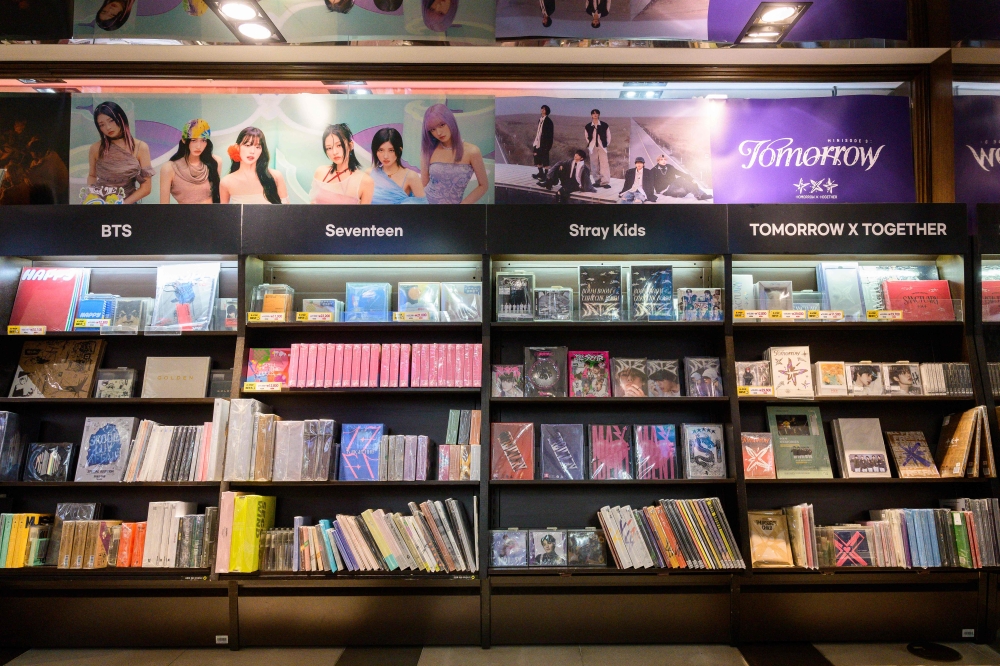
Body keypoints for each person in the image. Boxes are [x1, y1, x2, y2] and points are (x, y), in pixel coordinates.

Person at [420, 104, 488, 204]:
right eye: (432, 129)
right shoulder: (428, 150)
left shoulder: (472, 151)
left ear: (450, 121)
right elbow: (424, 185)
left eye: (442, 125)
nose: (438, 132)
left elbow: (483, 185)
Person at [87, 101, 153, 204]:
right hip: (100, 204)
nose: (108, 127)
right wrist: (95, 198)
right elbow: (92, 176)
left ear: (121, 118)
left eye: (111, 121)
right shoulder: (95, 148)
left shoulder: (141, 147)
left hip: (127, 203)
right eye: (102, 125)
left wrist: (121, 204)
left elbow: (146, 188)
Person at [159, 118, 222, 204]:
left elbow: (217, 198)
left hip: (210, 215)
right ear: (184, 140)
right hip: (184, 216)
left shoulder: (215, 162)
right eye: (194, 140)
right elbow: (163, 207)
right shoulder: (169, 168)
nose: (199, 146)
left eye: (203, 140)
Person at [220, 126, 287, 204]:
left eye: (258, 147)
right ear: (237, 147)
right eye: (248, 145)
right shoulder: (226, 182)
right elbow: (224, 214)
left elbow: (286, 212)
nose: (252, 151)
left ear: (262, 151)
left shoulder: (275, 176)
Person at [310, 124, 373, 205]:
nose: (334, 152)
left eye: (339, 145)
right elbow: (312, 208)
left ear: (350, 146)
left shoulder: (365, 181)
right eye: (329, 148)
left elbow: (364, 216)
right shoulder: (320, 172)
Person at [369, 127, 426, 205]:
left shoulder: (411, 176)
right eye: (381, 150)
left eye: (391, 150)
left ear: (399, 150)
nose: (385, 156)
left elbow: (424, 209)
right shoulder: (369, 173)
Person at [26, 136, 68, 205]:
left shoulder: (50, 161)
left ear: (38, 152)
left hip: (59, 189)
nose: (30, 153)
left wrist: (27, 174)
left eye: (32, 152)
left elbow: (33, 173)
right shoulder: (49, 154)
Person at [584, 109, 610, 188]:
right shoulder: (588, 126)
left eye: (596, 113)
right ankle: (597, 181)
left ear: (598, 115)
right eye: (593, 114)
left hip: (602, 146)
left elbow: (608, 136)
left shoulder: (604, 125)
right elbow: (586, 136)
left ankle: (605, 182)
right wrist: (591, 144)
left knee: (604, 163)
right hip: (592, 147)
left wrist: (605, 144)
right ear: (591, 115)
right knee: (594, 163)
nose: (595, 115)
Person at [531, 105, 554, 181]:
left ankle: (546, 175)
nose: (542, 110)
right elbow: (538, 132)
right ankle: (540, 173)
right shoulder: (540, 120)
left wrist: (548, 146)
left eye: (544, 109)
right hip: (537, 142)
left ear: (547, 111)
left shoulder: (548, 121)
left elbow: (550, 135)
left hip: (544, 144)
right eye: (542, 108)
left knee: (545, 159)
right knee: (537, 157)